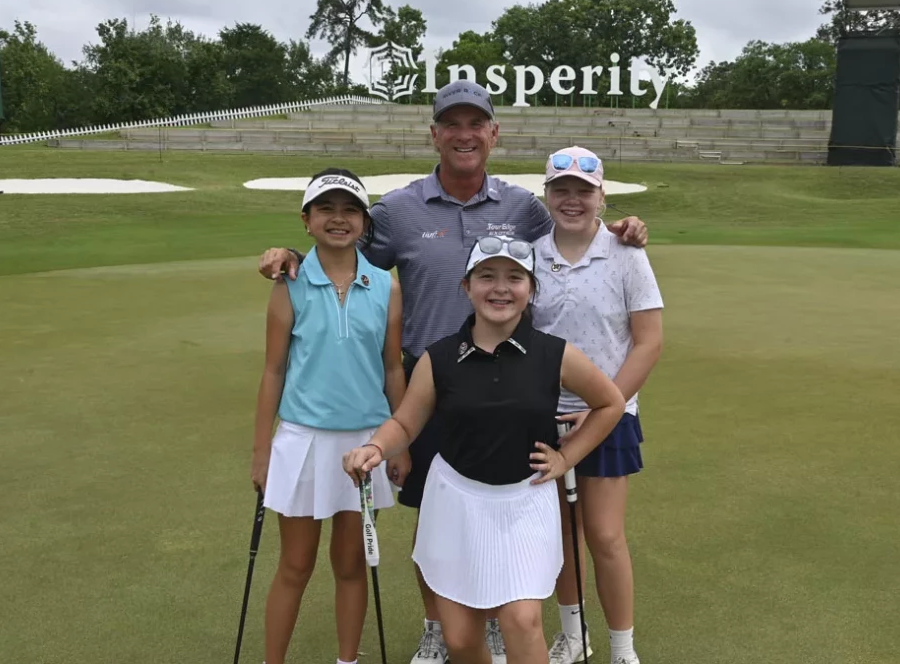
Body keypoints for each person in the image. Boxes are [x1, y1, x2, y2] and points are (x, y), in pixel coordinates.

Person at [257, 80, 649, 664]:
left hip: (516, 378)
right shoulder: (397, 211)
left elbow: (571, 232)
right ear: (435, 133)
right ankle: (440, 625)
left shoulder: (524, 208)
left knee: (505, 496)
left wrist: (621, 231)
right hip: (432, 375)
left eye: (476, 124)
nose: (464, 134)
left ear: (493, 133)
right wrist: (288, 255)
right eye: (451, 124)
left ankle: (494, 621)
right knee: (437, 511)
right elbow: (341, 246)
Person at [341, 235, 628, 664]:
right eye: (486, 276)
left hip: (525, 501)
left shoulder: (554, 353)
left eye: (515, 278)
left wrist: (567, 456)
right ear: (467, 286)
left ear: (531, 290)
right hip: (455, 501)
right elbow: (405, 421)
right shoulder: (438, 358)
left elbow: (611, 403)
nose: (500, 288)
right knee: (459, 637)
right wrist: (376, 447)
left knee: (522, 621)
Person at [251, 169, 405, 664]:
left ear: (364, 221)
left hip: (365, 440)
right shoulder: (289, 285)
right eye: (326, 209)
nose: (338, 219)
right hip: (301, 440)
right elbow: (273, 371)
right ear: (306, 220)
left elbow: (392, 367)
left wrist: (398, 443)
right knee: (295, 565)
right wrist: (261, 452)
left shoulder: (385, 286)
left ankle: (347, 660)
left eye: (350, 210)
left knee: (351, 563)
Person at [532, 148, 664, 664]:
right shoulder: (530, 253)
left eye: (583, 192)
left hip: (611, 414)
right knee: (562, 537)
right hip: (545, 416)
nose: (571, 200)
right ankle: (572, 633)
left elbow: (648, 341)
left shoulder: (626, 252)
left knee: (605, 537)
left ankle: (622, 648)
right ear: (546, 196)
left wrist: (605, 404)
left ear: (601, 197)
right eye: (560, 190)